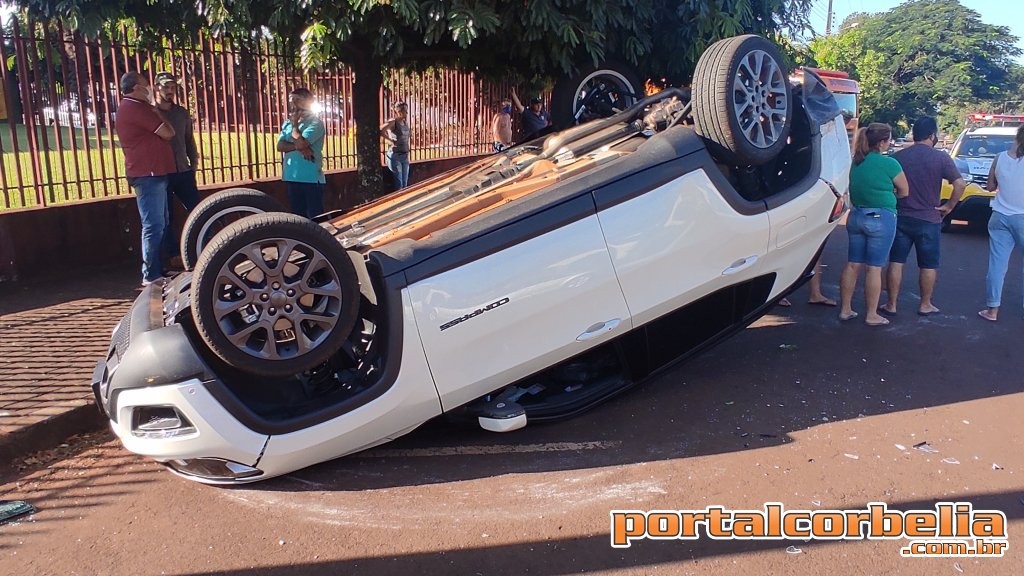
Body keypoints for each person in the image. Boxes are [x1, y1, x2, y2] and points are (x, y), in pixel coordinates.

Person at [880, 116, 966, 317]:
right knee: (928, 264)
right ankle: (925, 304)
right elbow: (960, 184)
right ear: (932, 135)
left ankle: (891, 304)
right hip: (929, 219)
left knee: (896, 261)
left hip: (901, 216)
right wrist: (949, 206)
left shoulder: (898, 157)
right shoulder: (941, 158)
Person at [838, 123, 909, 326]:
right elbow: (904, 191)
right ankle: (871, 314)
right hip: (881, 217)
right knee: (874, 268)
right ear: (882, 142)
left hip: (856, 216)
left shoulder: (855, 162)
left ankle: (845, 309)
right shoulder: (890, 164)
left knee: (853, 264)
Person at [116, 71, 176, 286]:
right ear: (134, 88)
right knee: (154, 224)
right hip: (147, 174)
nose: (149, 88)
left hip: (153, 172)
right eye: (144, 85)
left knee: (161, 222)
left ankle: (158, 269)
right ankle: (151, 273)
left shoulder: (135, 108)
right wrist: (155, 110)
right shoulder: (135, 109)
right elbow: (168, 132)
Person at [154, 71, 200, 271]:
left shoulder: (181, 113)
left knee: (197, 210)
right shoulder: (150, 113)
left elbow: (189, 139)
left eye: (172, 87)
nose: (170, 91)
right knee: (166, 216)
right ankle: (172, 255)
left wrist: (194, 162)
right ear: (156, 88)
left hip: (183, 169)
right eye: (165, 87)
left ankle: (203, 248)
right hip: (160, 172)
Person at [978, 124, 1024, 322]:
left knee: (997, 265)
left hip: (1000, 215)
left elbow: (990, 186)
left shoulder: (1000, 157)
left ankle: (992, 310)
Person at [277, 87, 326, 218]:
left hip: (310, 178)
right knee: (298, 217)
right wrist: (300, 147)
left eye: (297, 100)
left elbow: (302, 143)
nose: (293, 104)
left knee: (316, 218)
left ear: (308, 102)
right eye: (291, 100)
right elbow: (280, 146)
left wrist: (295, 127)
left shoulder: (315, 123)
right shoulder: (287, 123)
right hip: (292, 177)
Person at [380, 101, 411, 189]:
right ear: (398, 112)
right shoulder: (393, 122)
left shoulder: (405, 123)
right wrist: (390, 140)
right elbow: (381, 130)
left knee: (405, 183)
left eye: (406, 110)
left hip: (404, 155)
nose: (406, 113)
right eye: (404, 110)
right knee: (399, 183)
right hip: (395, 155)